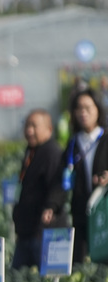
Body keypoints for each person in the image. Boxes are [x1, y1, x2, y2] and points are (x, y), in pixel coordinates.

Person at [47, 88, 108, 264]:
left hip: (103, 213)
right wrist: (52, 205)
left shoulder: (105, 138)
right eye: (79, 108)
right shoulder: (73, 143)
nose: (83, 113)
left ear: (98, 109)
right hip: (81, 211)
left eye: (88, 108)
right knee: (79, 262)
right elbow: (62, 178)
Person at [11, 110, 63, 269]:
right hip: (26, 231)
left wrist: (51, 206)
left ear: (49, 129)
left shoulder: (52, 152)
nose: (29, 131)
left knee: (43, 276)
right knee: (18, 276)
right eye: (27, 126)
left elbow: (58, 184)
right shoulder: (31, 151)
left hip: (42, 232)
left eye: (34, 126)